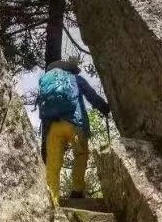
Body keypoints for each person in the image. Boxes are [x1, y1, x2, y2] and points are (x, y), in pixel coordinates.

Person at [36, 55, 110, 204]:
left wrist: (45, 136)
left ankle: (52, 200)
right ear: (69, 69)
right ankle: (77, 191)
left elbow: (43, 107)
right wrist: (105, 109)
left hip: (53, 126)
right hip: (76, 123)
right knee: (81, 154)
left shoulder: (46, 81)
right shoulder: (76, 79)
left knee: (53, 163)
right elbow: (92, 96)